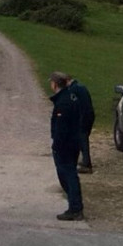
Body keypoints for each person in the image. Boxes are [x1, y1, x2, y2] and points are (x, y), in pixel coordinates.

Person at [48, 71, 83, 221]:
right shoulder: (72, 97)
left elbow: (61, 127)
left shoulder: (63, 102)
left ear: (55, 84)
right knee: (69, 174)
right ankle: (74, 205)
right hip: (74, 141)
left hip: (65, 145)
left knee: (67, 175)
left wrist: (57, 144)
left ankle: (75, 207)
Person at [67, 75, 95, 174]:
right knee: (83, 138)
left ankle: (87, 164)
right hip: (89, 115)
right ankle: (84, 160)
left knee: (82, 139)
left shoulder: (73, 90)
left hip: (83, 117)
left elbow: (73, 105)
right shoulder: (81, 87)